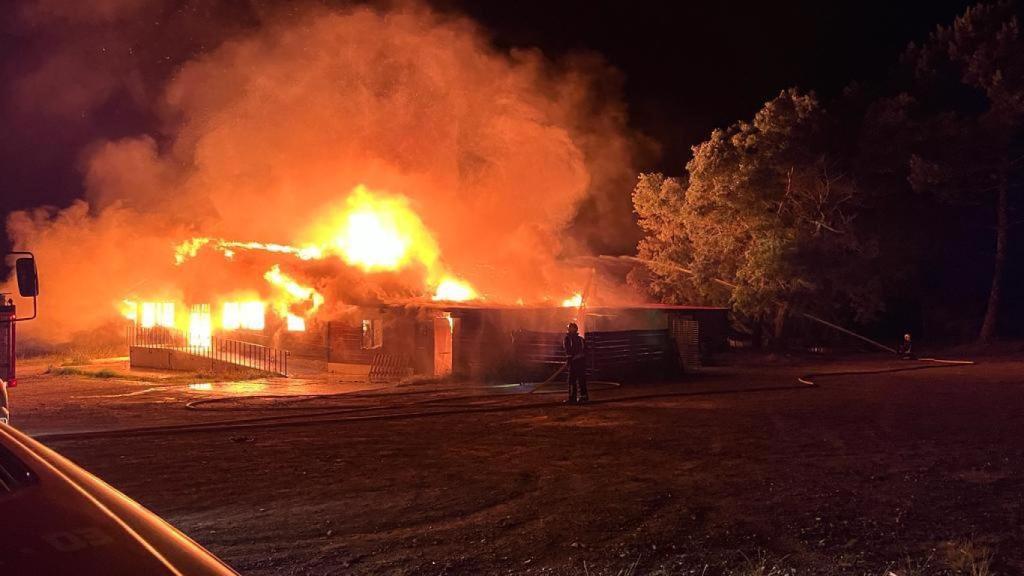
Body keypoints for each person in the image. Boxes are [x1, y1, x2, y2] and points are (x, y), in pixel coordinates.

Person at [563, 322, 588, 404]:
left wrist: (572, 358)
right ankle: (575, 397)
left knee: (577, 380)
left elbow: (584, 350)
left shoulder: (573, 339)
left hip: (578, 363)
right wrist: (570, 359)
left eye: (571, 328)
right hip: (576, 363)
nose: (570, 329)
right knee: (574, 380)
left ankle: (579, 398)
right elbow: (568, 352)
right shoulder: (569, 339)